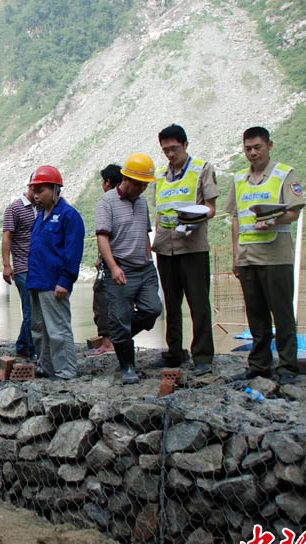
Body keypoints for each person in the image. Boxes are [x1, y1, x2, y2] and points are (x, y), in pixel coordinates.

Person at [226, 126, 305, 385]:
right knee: (256, 314)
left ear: (269, 145)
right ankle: (259, 365)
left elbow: (294, 211)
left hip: (276, 257)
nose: (253, 152)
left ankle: (287, 366)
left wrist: (274, 219)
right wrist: (235, 254)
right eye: (248, 148)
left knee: (282, 314)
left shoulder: (284, 174)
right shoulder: (239, 179)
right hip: (248, 256)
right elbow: (236, 218)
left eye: (257, 147)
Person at [152, 124, 218, 375]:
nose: (170, 154)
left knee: (198, 302)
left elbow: (211, 207)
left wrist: (194, 219)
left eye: (174, 148)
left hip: (192, 246)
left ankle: (202, 355)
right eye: (166, 150)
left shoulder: (202, 169)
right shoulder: (160, 176)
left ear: (185, 145)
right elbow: (159, 211)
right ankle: (174, 351)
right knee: (171, 301)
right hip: (165, 246)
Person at [96, 155, 163, 384]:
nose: (143, 189)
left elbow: (144, 233)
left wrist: (149, 260)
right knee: (120, 317)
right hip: (120, 267)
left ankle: (119, 333)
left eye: (145, 185)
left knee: (152, 309)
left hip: (144, 267)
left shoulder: (141, 202)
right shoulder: (107, 202)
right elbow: (102, 237)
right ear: (126, 179)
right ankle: (127, 367)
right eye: (139, 184)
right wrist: (113, 267)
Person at [27, 165, 85, 380]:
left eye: (40, 190)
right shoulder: (40, 217)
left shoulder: (68, 216)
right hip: (37, 281)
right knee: (38, 329)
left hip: (54, 283)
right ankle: (46, 367)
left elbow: (73, 251)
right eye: (34, 191)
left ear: (55, 189)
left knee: (58, 330)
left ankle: (66, 370)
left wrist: (65, 280)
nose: (36, 195)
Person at [91, 164, 124, 356]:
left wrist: (102, 258)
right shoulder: (129, 201)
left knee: (101, 299)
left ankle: (107, 342)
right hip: (126, 260)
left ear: (108, 182)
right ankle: (119, 339)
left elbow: (104, 234)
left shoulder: (106, 202)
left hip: (110, 262)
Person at [1, 185, 37, 359]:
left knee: (35, 309)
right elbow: (7, 236)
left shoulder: (42, 206)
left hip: (39, 267)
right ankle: (33, 351)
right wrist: (6, 265)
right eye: (37, 189)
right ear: (30, 187)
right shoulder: (14, 208)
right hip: (22, 267)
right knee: (31, 310)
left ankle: (22, 346)